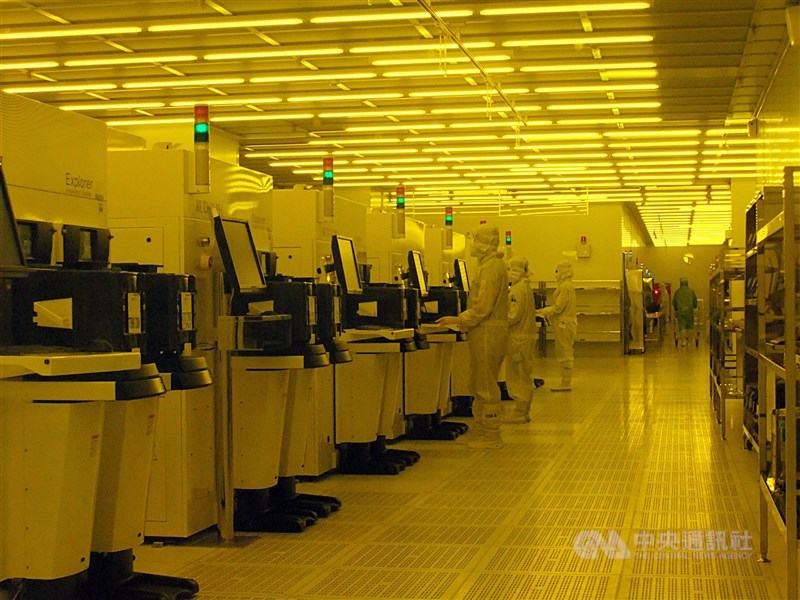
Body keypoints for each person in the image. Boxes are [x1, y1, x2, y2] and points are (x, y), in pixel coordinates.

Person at [437, 223, 509, 449]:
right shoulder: (490, 265)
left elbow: (482, 307)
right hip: (485, 330)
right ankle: (482, 429)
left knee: (485, 384)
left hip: (487, 330)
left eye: (476, 239)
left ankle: (491, 434)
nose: (472, 244)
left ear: (487, 244)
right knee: (480, 380)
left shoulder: (490, 268)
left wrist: (457, 319)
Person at [505, 255, 537, 423]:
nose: (509, 273)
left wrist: (497, 319)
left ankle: (520, 410)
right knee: (523, 374)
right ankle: (523, 410)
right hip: (524, 337)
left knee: (518, 375)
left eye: (510, 269)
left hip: (518, 339)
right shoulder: (524, 287)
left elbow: (514, 315)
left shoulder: (517, 290)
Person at [537, 260, 577, 391]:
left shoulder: (565, 286)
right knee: (565, 350)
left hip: (564, 324)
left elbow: (559, 307)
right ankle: (565, 381)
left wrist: (545, 311)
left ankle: (566, 383)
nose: (556, 274)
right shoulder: (566, 286)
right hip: (564, 323)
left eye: (557, 271)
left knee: (564, 352)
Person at [672, 277, 697, 347]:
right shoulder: (691, 291)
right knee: (690, 326)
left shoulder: (677, 292)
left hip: (680, 311)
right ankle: (689, 341)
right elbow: (695, 301)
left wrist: (676, 308)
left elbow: (674, 302)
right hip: (689, 311)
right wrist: (694, 306)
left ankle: (683, 341)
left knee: (682, 326)